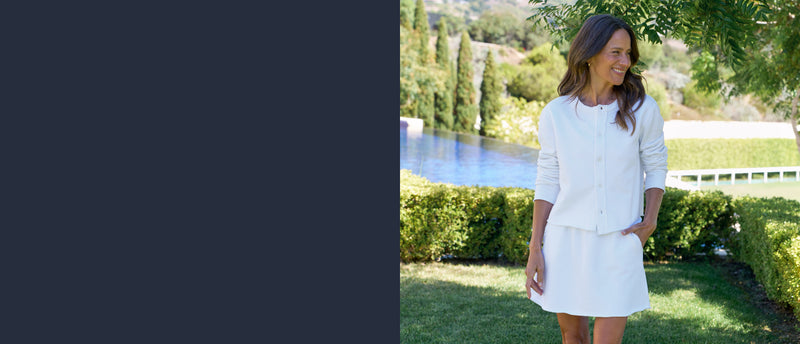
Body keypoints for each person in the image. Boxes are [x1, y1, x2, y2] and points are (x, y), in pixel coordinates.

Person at [524, 14, 668, 344]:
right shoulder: (557, 113)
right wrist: (535, 247)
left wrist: (650, 220)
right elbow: (548, 179)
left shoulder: (643, 109)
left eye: (628, 53)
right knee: (572, 337)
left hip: (620, 238)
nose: (625, 62)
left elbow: (656, 165)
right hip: (565, 240)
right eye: (615, 52)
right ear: (589, 54)